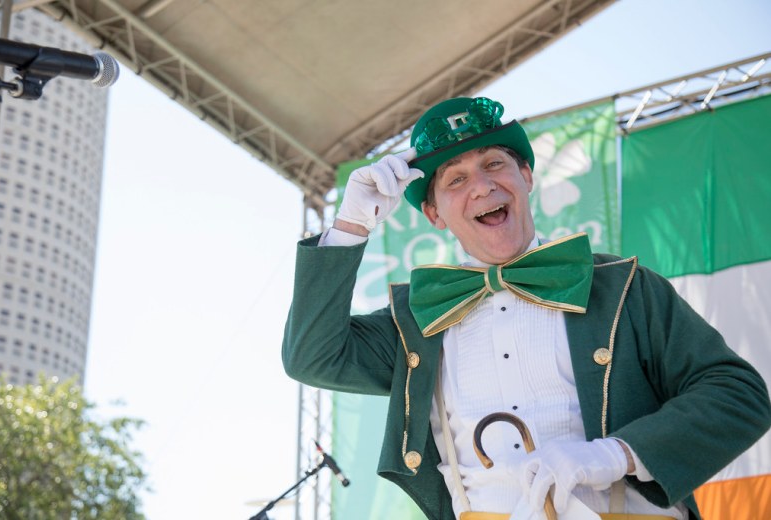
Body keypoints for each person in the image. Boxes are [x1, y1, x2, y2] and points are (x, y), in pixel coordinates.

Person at [282, 96, 771, 520]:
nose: (481, 186)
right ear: (433, 214)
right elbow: (311, 356)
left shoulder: (622, 286)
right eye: (455, 179)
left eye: (494, 164)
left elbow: (738, 395)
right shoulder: (416, 319)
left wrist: (615, 455)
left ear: (527, 176)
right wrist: (349, 226)